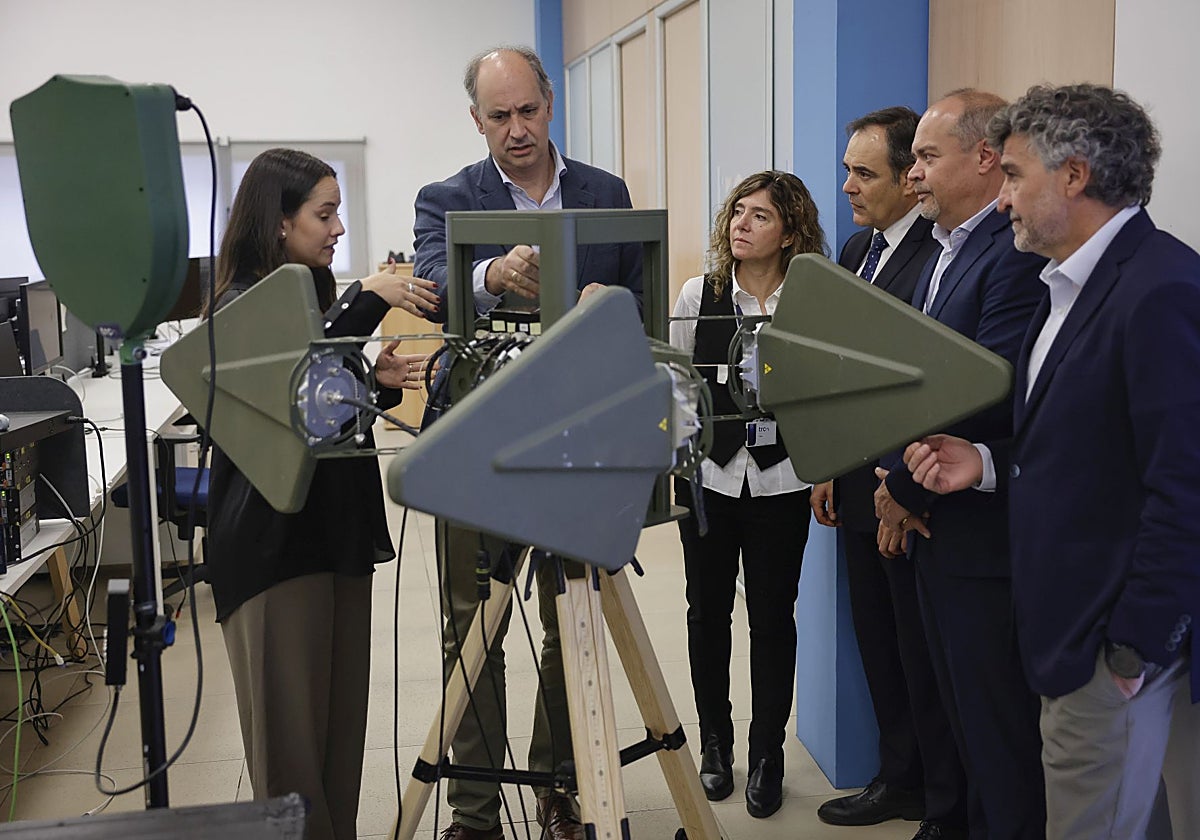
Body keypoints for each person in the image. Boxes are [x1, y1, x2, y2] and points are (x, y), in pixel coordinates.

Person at [901, 83, 1200, 840]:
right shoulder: (1064, 285)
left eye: (1014, 175)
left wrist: (1132, 648)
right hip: (1069, 631)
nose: (1002, 200)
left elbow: (1185, 483)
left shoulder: (1159, 288)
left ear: (1073, 176)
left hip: (1110, 649)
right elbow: (1078, 452)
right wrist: (985, 462)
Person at [411, 45, 641, 840]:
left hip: (579, 444)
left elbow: (636, 299)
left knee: (570, 619)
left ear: (552, 102)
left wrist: (611, 304)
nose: (517, 130)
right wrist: (490, 276)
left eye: (528, 111)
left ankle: (559, 789)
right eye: (499, 116)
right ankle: (474, 814)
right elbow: (436, 279)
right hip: (474, 447)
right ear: (475, 119)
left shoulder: (605, 194)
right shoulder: (446, 197)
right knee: (473, 631)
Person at [205, 148, 435, 840]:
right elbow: (288, 387)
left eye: (338, 213)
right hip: (275, 550)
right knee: (290, 755)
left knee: (338, 740)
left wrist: (379, 383)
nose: (337, 228)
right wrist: (368, 298)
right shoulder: (240, 302)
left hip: (333, 536)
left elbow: (319, 404)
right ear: (278, 222)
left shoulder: (313, 295)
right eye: (324, 214)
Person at [871, 89, 1049, 840]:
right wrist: (895, 477)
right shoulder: (950, 250)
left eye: (925, 158)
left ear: (985, 158)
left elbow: (985, 387)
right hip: (937, 522)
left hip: (978, 535)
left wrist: (904, 485)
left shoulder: (1008, 255)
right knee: (960, 722)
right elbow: (909, 378)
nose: (914, 175)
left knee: (998, 740)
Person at [810, 107, 964, 832]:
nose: (847, 185)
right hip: (852, 481)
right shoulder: (854, 250)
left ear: (911, 178)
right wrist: (828, 465)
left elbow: (926, 383)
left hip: (905, 486)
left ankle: (937, 793)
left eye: (863, 173)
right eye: (847, 169)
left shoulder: (938, 257)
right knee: (874, 632)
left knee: (917, 648)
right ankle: (896, 775)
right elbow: (843, 372)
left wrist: (892, 484)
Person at [669, 170, 824, 819]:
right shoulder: (695, 294)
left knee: (771, 617)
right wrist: (687, 450)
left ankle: (767, 753)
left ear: (790, 232)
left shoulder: (813, 302)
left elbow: (825, 393)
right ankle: (714, 743)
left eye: (760, 216)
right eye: (738, 212)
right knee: (707, 614)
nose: (741, 224)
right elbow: (676, 381)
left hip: (782, 482)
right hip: (708, 480)